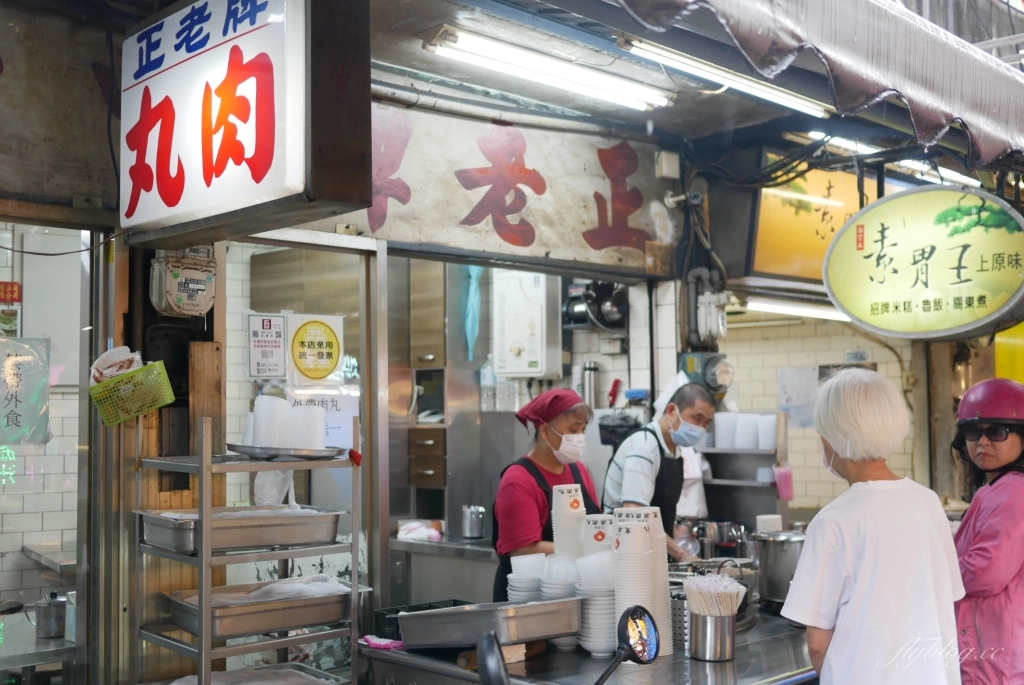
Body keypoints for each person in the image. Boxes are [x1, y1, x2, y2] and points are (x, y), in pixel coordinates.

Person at [781, 368, 964, 685]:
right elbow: (948, 598)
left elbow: (817, 642)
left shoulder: (832, 522)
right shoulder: (929, 503)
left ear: (831, 441)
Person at [491, 388, 601, 602]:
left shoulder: (580, 471)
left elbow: (595, 525)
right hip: (528, 600)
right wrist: (586, 549)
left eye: (583, 430)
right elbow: (523, 550)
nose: (579, 438)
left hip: (573, 593)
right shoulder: (518, 481)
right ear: (545, 431)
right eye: (573, 430)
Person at [950, 378, 1024, 684]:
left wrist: (931, 569)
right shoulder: (995, 486)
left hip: (994, 658)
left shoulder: (1012, 491)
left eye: (997, 431)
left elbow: (986, 571)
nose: (982, 443)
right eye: (973, 432)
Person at [602, 383, 715, 561]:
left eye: (706, 422)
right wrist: (681, 554)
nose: (701, 428)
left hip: (651, 553)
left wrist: (678, 536)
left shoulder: (675, 451)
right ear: (671, 411)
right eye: (697, 418)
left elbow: (658, 511)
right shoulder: (644, 448)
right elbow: (636, 516)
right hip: (627, 556)